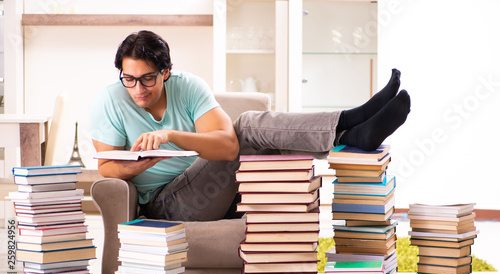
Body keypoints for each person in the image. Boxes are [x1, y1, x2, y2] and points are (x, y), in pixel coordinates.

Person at [90, 30, 410, 222]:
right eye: (129, 79)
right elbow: (106, 166)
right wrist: (140, 165)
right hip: (169, 204)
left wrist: (171, 136)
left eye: (147, 78)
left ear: (166, 72)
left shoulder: (188, 87)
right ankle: (350, 125)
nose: (138, 89)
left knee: (262, 141)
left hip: (224, 193)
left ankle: (352, 131)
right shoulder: (110, 100)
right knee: (246, 125)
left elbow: (228, 146)